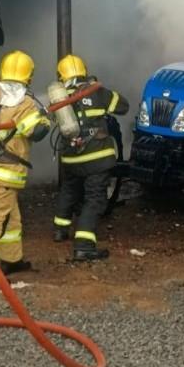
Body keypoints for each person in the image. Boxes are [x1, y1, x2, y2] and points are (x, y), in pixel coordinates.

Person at [0, 50, 50, 290]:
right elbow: (36, 132)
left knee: (11, 218)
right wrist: (46, 119)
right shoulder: (23, 103)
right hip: (4, 171)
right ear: (29, 76)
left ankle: (11, 260)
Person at [52, 54, 129, 261]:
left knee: (69, 189)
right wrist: (98, 90)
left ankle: (60, 230)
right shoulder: (97, 91)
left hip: (71, 158)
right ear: (84, 71)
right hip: (96, 157)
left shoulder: (60, 98)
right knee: (94, 198)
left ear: (61, 75)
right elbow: (123, 106)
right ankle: (84, 245)